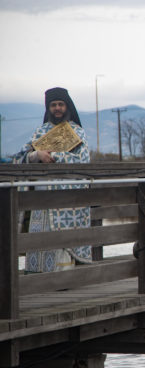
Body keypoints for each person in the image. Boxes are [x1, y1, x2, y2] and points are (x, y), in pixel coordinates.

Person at [13, 87, 92, 273]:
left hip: (67, 201)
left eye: (60, 104)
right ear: (48, 108)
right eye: (53, 105)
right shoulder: (40, 132)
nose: (57, 108)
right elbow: (18, 158)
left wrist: (54, 156)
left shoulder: (77, 132)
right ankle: (37, 276)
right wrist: (35, 155)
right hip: (41, 199)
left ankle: (63, 278)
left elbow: (83, 161)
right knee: (40, 240)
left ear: (67, 106)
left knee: (63, 244)